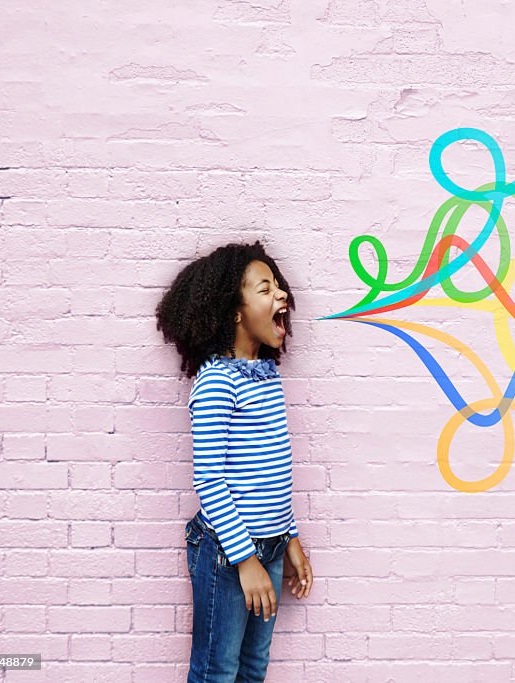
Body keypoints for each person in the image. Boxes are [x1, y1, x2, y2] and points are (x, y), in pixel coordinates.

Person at [155, 240, 314, 682]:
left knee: (252, 669)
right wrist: (246, 561)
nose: (281, 295)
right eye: (266, 290)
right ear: (236, 312)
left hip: (272, 546)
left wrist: (291, 537)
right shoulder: (218, 383)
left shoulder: (264, 376)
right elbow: (210, 481)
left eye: (279, 287)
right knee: (217, 672)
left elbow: (271, 473)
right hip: (229, 554)